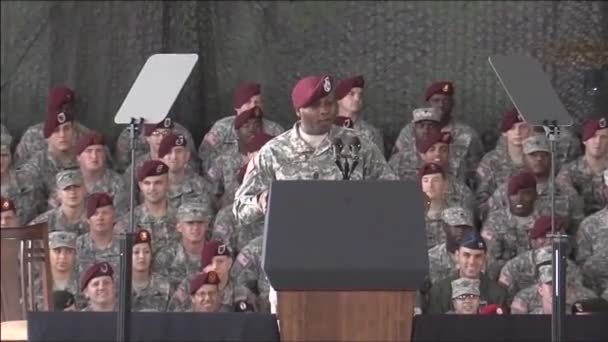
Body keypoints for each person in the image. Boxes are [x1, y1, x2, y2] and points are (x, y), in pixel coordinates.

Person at [233, 75, 396, 226]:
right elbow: (240, 209)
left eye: (329, 103)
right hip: (295, 246)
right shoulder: (274, 152)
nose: (324, 110)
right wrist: (262, 201)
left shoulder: (359, 145)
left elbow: (392, 193)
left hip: (350, 241)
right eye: (315, 105)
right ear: (298, 111)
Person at [198, 81, 285, 174]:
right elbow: (204, 158)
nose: (253, 106)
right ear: (237, 108)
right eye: (248, 102)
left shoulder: (275, 130)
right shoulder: (221, 128)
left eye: (257, 102)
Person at [333, 75, 384, 153]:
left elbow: (378, 163)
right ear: (339, 98)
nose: (357, 99)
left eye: (360, 95)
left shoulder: (371, 133)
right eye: (351, 94)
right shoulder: (323, 129)